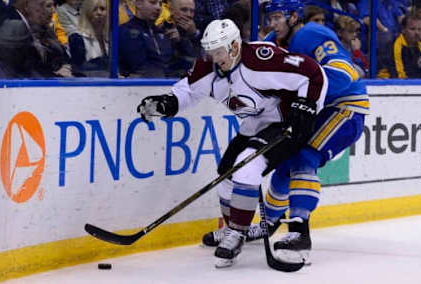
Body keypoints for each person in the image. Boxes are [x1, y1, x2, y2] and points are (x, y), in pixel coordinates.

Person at [137, 18, 329, 267]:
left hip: (285, 124)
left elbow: (313, 73)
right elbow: (188, 91)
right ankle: (233, 228)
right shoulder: (210, 68)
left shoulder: (260, 60)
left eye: (219, 52)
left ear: (235, 46)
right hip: (252, 128)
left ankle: (237, 234)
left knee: (245, 167)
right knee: (225, 175)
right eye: (210, 51)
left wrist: (307, 106)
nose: (214, 58)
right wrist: (167, 103)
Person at [198, 0, 367, 265]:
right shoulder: (271, 42)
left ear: (294, 17)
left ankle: (300, 233)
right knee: (283, 162)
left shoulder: (311, 35)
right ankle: (269, 224)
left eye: (278, 17)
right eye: (270, 17)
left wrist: (304, 98)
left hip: (345, 108)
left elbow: (345, 73)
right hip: (313, 111)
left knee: (304, 157)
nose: (273, 23)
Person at [118, 0, 185, 78]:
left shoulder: (163, 33)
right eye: (153, 2)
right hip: (138, 87)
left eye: (160, 4)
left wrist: (180, 43)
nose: (158, 7)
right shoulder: (125, 31)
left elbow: (178, 62)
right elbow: (139, 66)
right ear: (138, 4)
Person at [69, 0, 109, 75]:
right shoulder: (77, 38)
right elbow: (79, 71)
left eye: (102, 9)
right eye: (94, 9)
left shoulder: (111, 38)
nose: (99, 13)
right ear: (87, 12)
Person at [391, 14, 421, 78]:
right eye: (412, 29)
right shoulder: (397, 46)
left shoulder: (420, 44)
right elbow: (399, 75)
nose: (417, 33)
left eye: (419, 29)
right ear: (403, 30)